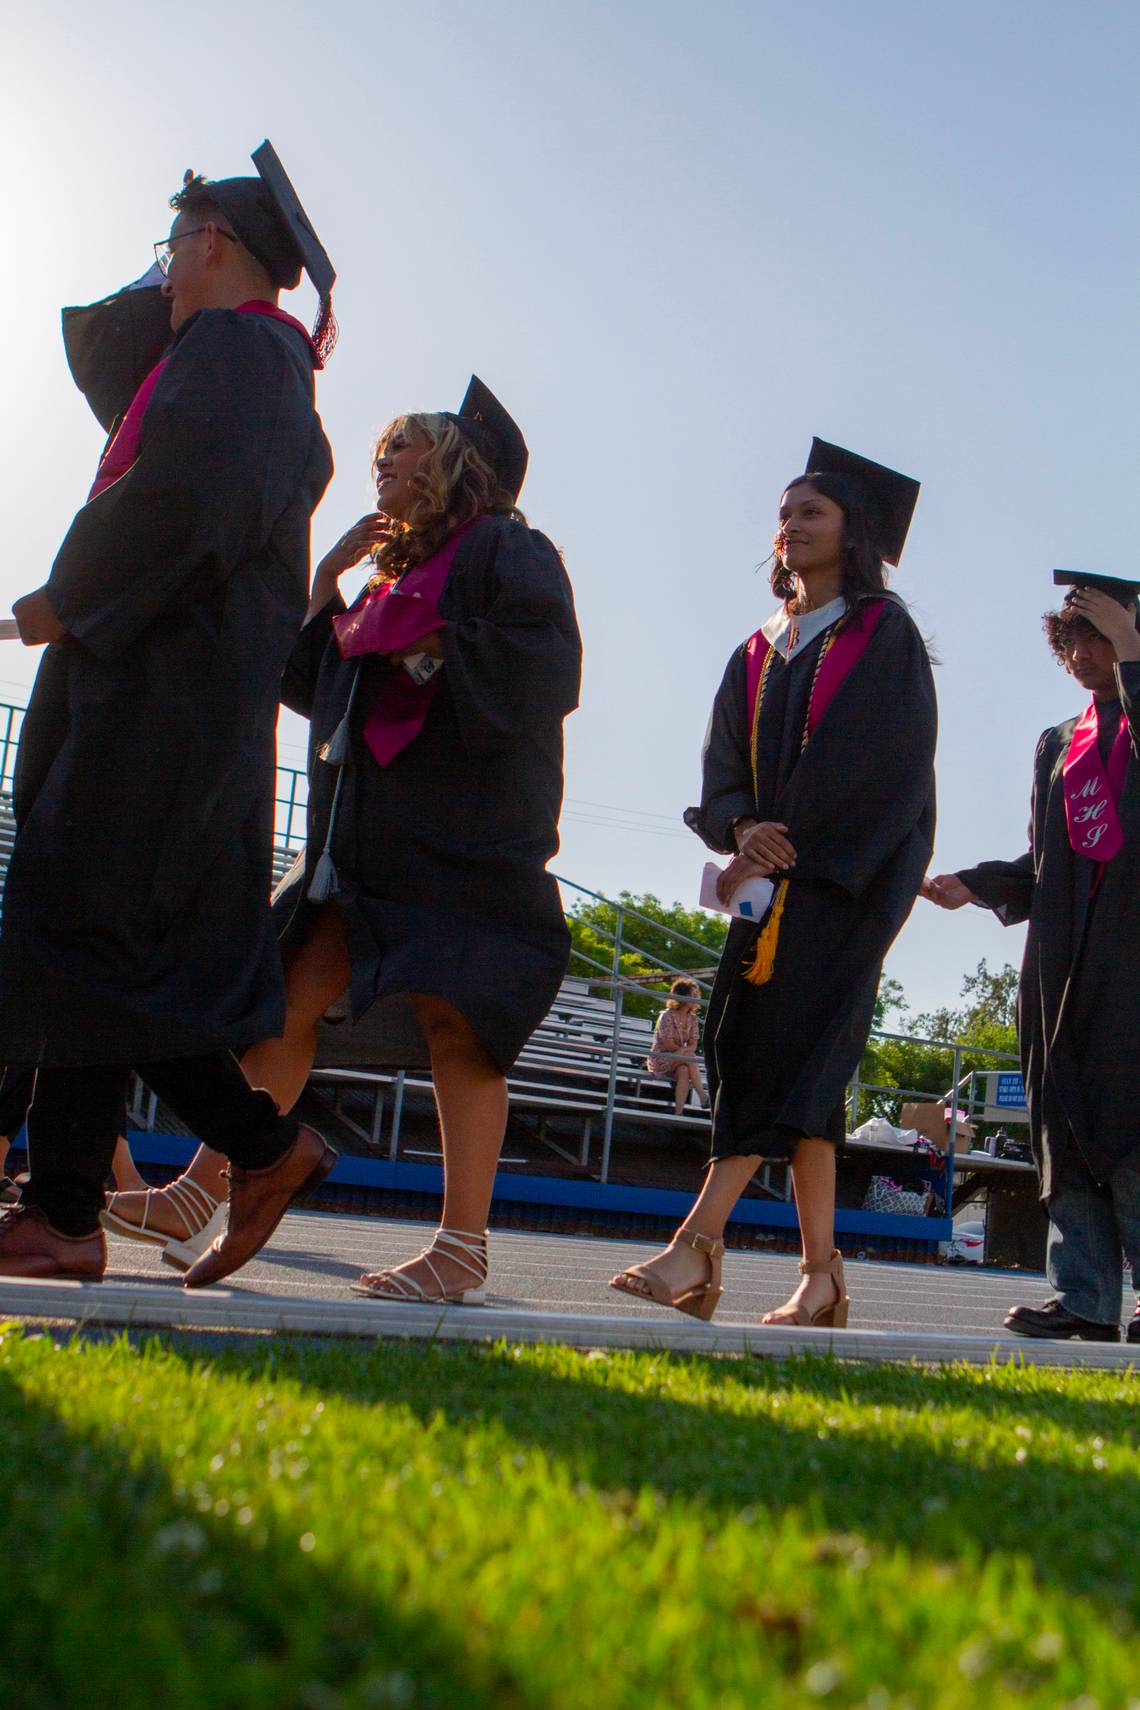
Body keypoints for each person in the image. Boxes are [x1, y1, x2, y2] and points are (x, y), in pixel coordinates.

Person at [106, 379, 582, 1300]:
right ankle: (202, 1191)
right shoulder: (383, 576)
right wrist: (327, 586)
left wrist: (417, 642)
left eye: (405, 447)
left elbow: (542, 667)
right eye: (384, 450)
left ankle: (461, 1250)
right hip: (361, 840)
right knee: (285, 999)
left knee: (461, 1027)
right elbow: (307, 679)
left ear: (453, 463)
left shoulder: (506, 550)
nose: (385, 461)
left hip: (460, 838)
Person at [0, 143, 339, 1284]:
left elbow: (185, 501)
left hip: (161, 703)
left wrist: (66, 595)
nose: (162, 272)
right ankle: (74, 1214)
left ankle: (250, 1151)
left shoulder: (244, 352)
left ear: (210, 245)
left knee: (88, 940)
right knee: (92, 949)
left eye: (173, 246)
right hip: (158, 693)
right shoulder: (242, 357)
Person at [611, 439, 937, 1324]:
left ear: (852, 531)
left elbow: (892, 768)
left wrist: (797, 841)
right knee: (801, 1079)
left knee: (773, 1055)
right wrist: (743, 829)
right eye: (784, 513)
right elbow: (722, 764)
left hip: (841, 889)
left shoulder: (884, 633)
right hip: (768, 892)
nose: (789, 526)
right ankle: (821, 1277)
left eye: (811, 513)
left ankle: (696, 1247)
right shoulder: (756, 651)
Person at [923, 572, 1140, 1346]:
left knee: (1131, 1120)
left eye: (1101, 634)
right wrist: (975, 885)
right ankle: (1084, 1297)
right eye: (1073, 639)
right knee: (1066, 1123)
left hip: (1132, 957)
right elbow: (1048, 860)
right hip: (1060, 959)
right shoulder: (1058, 743)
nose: (1083, 653)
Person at [647, 979, 708, 1113]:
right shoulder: (666, 1016)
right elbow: (667, 1045)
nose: (695, 998)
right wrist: (685, 1052)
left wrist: (684, 1052)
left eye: (696, 995)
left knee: (684, 1072)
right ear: (682, 996)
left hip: (680, 1058)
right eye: (691, 995)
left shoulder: (692, 1019)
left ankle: (678, 1113)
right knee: (690, 1057)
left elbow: (694, 1044)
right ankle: (703, 1096)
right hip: (661, 1058)